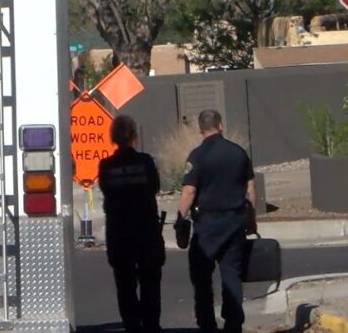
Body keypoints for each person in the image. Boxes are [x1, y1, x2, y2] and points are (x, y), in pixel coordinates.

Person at [177, 110, 256, 333]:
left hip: (207, 226)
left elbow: (189, 191)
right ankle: (233, 322)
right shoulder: (238, 153)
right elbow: (250, 188)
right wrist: (251, 220)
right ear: (220, 125)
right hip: (234, 221)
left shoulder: (197, 156)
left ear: (200, 129)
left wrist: (180, 219)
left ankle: (207, 323)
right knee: (232, 274)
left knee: (201, 277)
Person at [97, 115, 164, 333]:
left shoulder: (106, 166)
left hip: (119, 232)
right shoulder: (145, 162)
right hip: (146, 230)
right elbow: (154, 187)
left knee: (125, 284)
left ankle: (132, 326)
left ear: (113, 137)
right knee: (150, 281)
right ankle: (151, 325)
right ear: (134, 136)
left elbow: (107, 192)